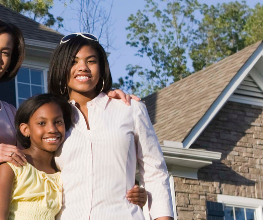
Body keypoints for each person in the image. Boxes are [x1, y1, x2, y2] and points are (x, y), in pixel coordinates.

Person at [0, 19, 147, 220]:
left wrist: (104, 96)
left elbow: (47, 156)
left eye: (5, 53)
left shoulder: (10, 111)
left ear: (11, 61)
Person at [48, 32, 174, 220]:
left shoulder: (130, 109)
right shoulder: (51, 118)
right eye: (74, 61)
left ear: (102, 67)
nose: (83, 67)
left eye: (91, 61)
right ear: (61, 67)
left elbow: (155, 172)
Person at [0, 94, 71, 220]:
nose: (52, 129)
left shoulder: (62, 172)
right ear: (25, 129)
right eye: (42, 123)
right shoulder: (12, 165)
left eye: (58, 122)